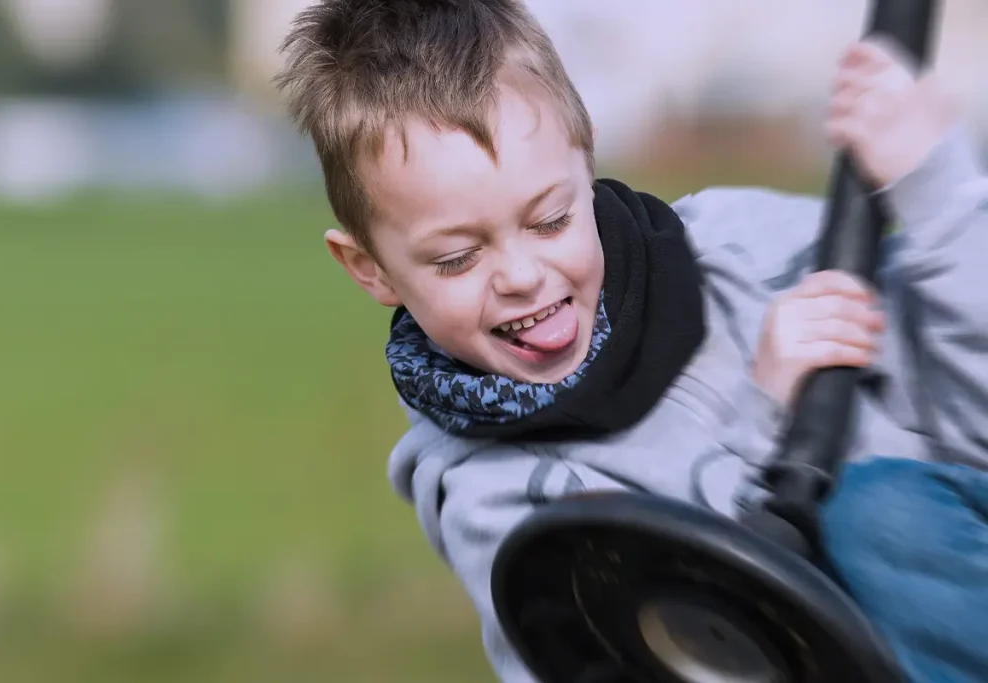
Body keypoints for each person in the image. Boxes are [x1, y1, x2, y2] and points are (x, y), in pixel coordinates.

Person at [275, 1, 988, 681]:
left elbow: (973, 426)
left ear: (586, 158)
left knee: (881, 513)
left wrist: (940, 196)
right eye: (458, 257)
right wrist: (765, 418)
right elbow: (674, 648)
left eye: (550, 220)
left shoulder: (746, 254)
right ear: (370, 268)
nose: (523, 275)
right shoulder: (498, 500)